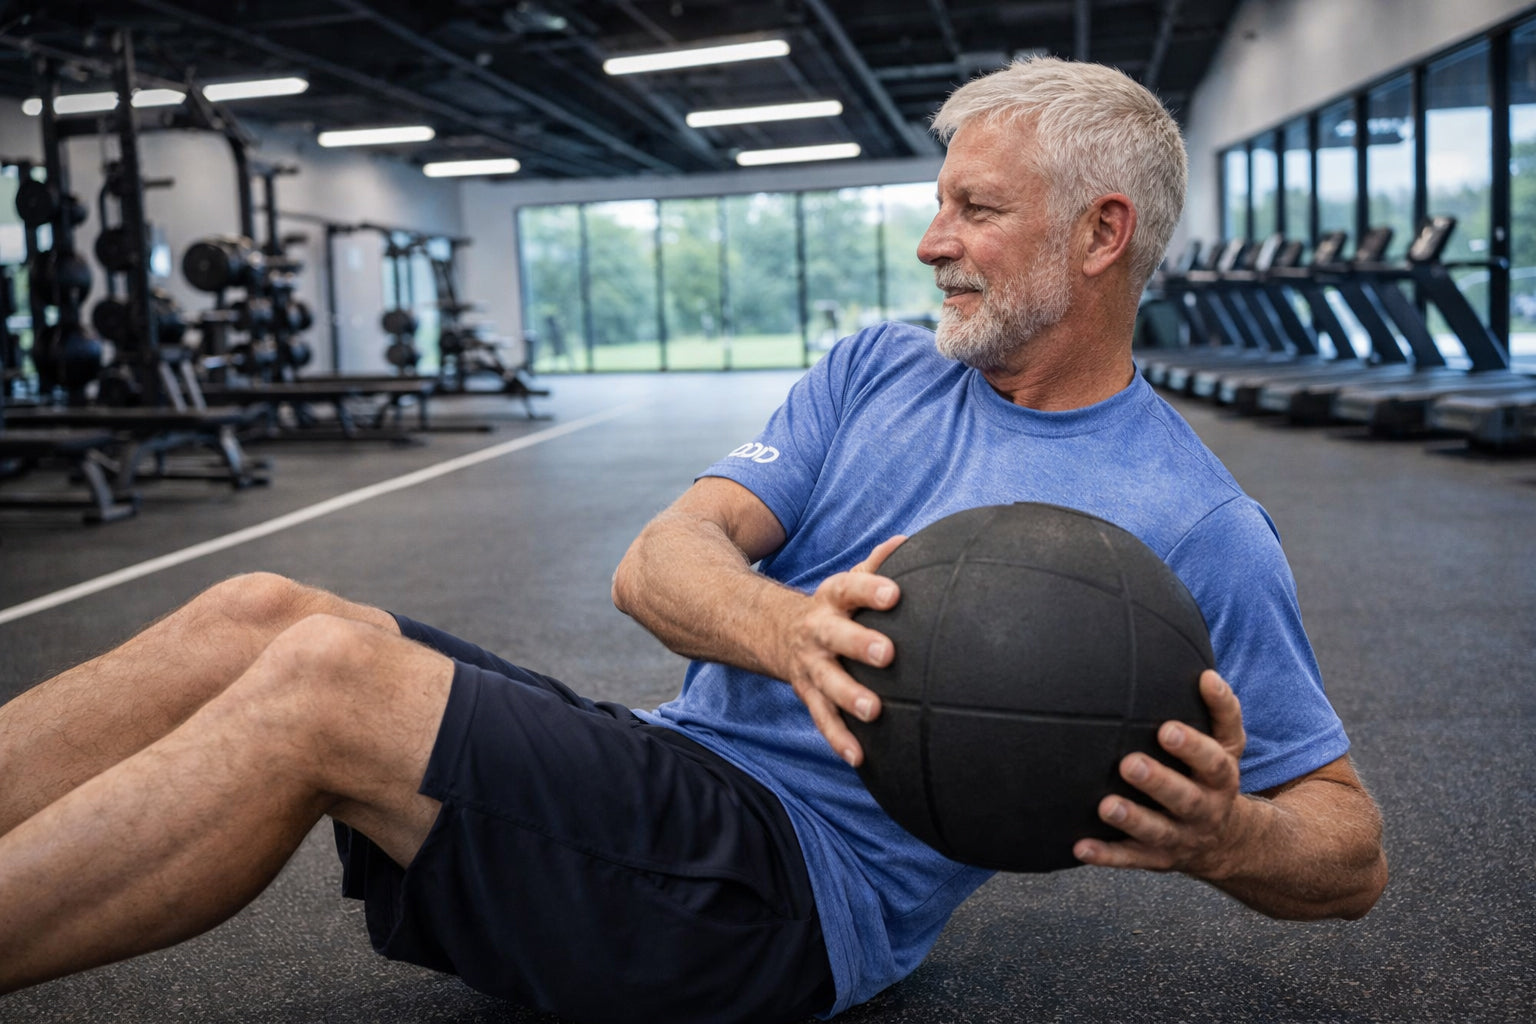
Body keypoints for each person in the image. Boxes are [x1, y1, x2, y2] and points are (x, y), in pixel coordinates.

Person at [0, 56, 1386, 1022]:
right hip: (677, 778)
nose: (930, 243)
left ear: (1100, 234)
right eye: (939, 201)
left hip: (787, 901)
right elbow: (653, 565)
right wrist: (789, 630)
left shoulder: (1193, 522)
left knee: (322, 691)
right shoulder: (875, 371)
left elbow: (1350, 852)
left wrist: (1224, 835)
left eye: (975, 209)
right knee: (263, 612)